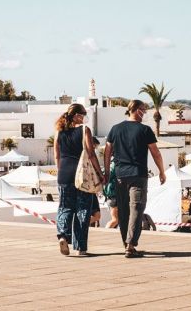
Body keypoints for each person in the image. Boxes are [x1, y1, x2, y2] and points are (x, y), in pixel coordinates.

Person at [104, 99, 166, 258]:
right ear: (137, 110)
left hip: (120, 175)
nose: (145, 113)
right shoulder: (145, 130)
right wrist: (161, 171)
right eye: (143, 110)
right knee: (137, 208)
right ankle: (130, 244)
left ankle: (127, 244)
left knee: (124, 212)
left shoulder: (115, 129)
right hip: (138, 175)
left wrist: (106, 172)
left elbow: (107, 151)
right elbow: (155, 152)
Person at [54, 103, 102, 256]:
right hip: (82, 175)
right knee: (82, 211)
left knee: (64, 207)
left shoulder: (59, 132)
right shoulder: (84, 130)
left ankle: (62, 235)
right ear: (76, 115)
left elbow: (57, 155)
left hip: (64, 174)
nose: (84, 118)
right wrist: (100, 174)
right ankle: (81, 248)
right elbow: (91, 153)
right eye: (82, 115)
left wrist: (60, 171)